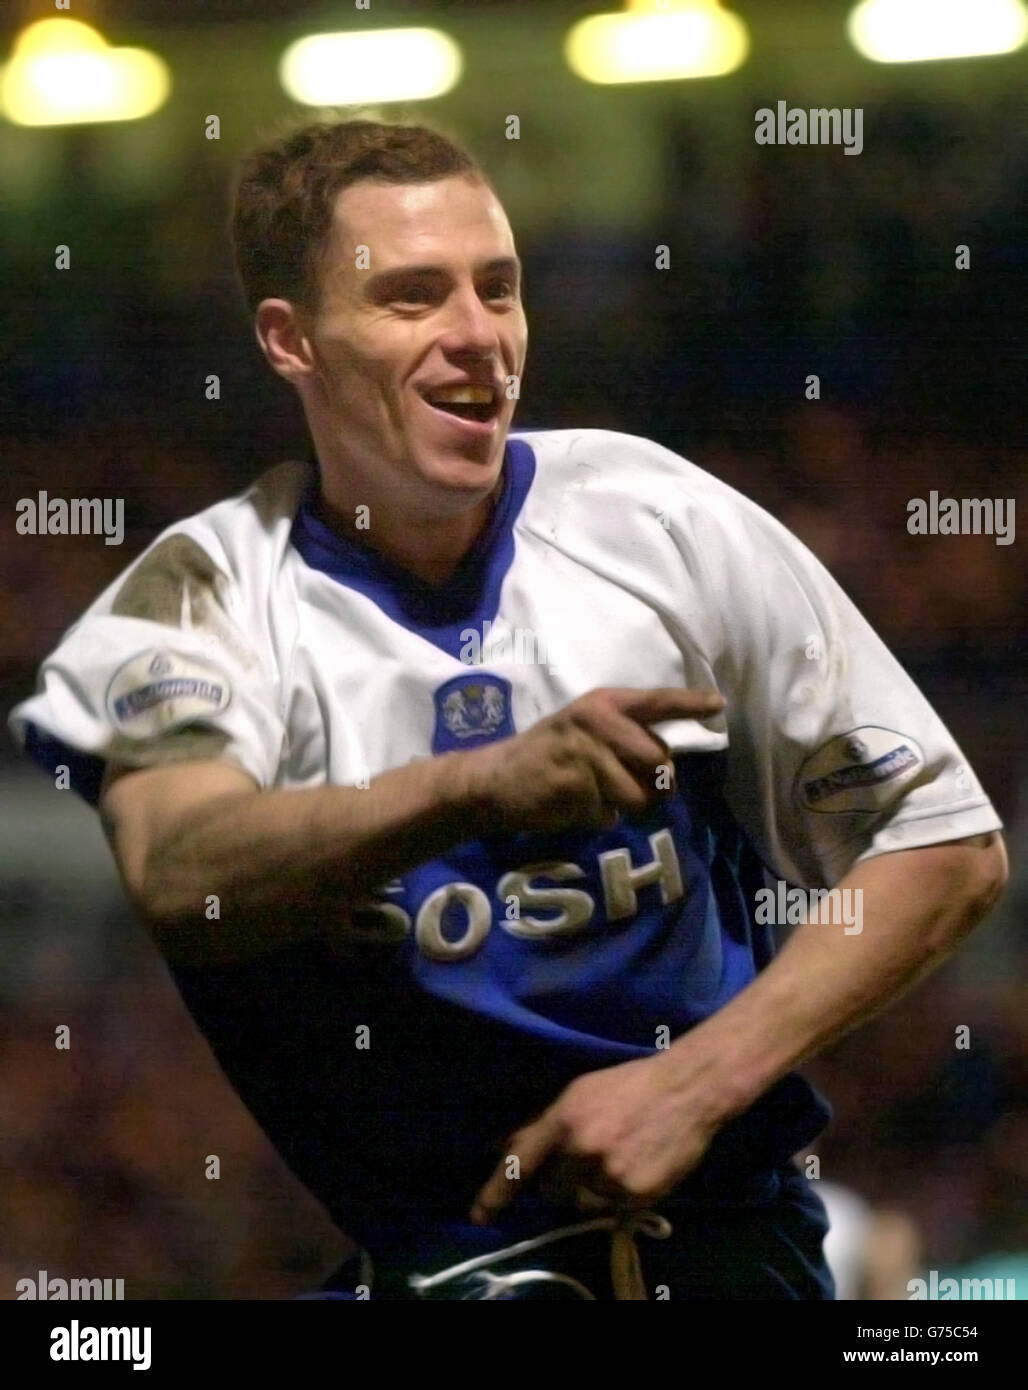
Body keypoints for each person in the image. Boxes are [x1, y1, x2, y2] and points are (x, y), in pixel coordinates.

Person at [9, 119, 1007, 1301]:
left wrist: (690, 1083)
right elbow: (180, 867)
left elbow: (940, 846)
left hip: (737, 1251)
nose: (477, 337)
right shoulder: (201, 596)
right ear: (290, 341)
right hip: (442, 1268)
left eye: (498, 288)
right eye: (414, 298)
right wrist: (476, 785)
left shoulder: (659, 519)